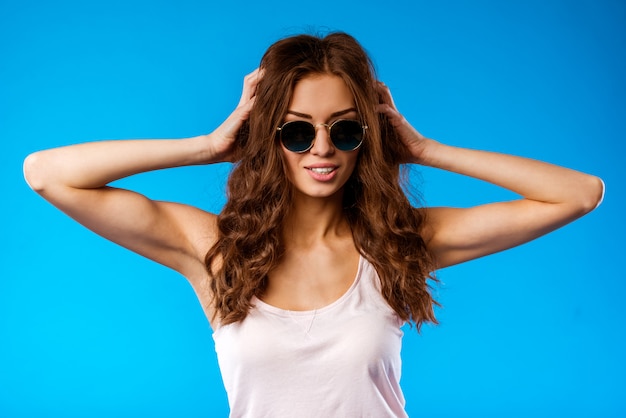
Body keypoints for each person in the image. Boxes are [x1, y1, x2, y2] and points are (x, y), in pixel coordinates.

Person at [23, 32, 604, 417]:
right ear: (268, 135)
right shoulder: (213, 250)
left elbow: (578, 194)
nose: (321, 149)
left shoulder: (398, 244)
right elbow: (46, 174)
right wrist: (207, 145)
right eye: (297, 130)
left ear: (366, 138)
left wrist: (423, 149)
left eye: (345, 129)